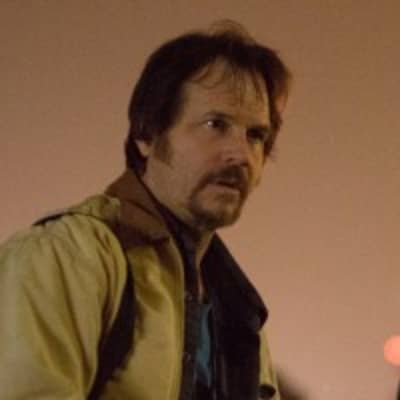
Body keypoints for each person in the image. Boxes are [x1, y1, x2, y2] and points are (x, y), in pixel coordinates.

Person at [0, 21, 290, 400]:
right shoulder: (67, 256)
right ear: (147, 135)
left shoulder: (239, 312)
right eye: (215, 124)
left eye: (256, 135)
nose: (241, 154)